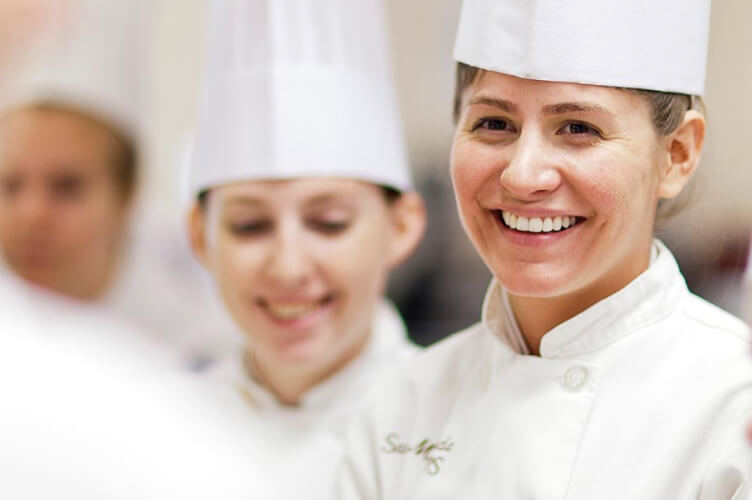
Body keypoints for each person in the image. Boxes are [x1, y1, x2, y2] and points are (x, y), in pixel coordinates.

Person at [336, 0, 752, 498]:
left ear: (677, 156)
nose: (523, 174)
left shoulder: (734, 407)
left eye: (579, 128)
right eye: (493, 123)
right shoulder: (401, 404)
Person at [183, 0, 426, 497]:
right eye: (250, 225)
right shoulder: (147, 426)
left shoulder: (460, 418)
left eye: (328, 223)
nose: (289, 266)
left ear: (401, 225)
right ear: (199, 236)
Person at [0, 0, 240, 368]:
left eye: (67, 187)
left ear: (128, 196)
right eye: (10, 186)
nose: (31, 215)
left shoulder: (202, 358)